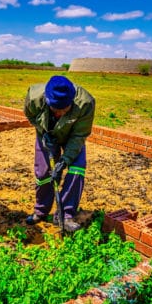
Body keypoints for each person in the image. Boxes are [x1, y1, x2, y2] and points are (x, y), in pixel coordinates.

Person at [23, 75, 95, 232]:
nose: (60, 113)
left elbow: (79, 136)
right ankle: (41, 210)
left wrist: (64, 161)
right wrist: (43, 131)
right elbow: (30, 115)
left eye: (65, 109)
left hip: (72, 136)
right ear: (48, 101)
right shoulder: (34, 97)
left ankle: (65, 215)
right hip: (47, 134)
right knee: (43, 173)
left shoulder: (86, 104)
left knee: (77, 169)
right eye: (56, 109)